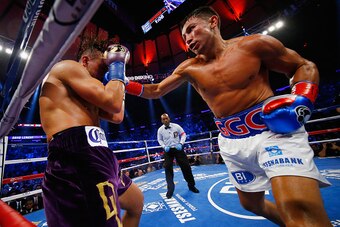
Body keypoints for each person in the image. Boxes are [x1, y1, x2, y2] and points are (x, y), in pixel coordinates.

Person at [124, 6, 332, 226]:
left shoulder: (253, 45)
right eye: (185, 37)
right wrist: (124, 82)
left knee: (298, 206)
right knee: (252, 204)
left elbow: (303, 65)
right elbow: (155, 91)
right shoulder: (189, 68)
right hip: (232, 141)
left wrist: (302, 100)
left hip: (273, 132)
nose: (188, 39)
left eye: (192, 30)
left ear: (213, 22)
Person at [39, 40, 143, 227]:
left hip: (99, 153)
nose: (106, 73)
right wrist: (117, 64)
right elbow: (113, 101)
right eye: (103, 67)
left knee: (136, 202)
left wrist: (118, 76)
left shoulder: (89, 91)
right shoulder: (68, 67)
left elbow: (117, 115)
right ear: (85, 61)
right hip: (77, 153)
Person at [157, 113, 199, 199]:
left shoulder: (176, 126)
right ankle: (170, 190)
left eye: (166, 118)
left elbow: (183, 134)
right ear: (162, 121)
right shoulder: (160, 130)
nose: (165, 120)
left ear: (169, 118)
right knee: (168, 168)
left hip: (178, 148)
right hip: (168, 150)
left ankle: (191, 186)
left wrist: (181, 143)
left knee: (186, 166)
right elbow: (159, 140)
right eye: (163, 119)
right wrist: (164, 147)